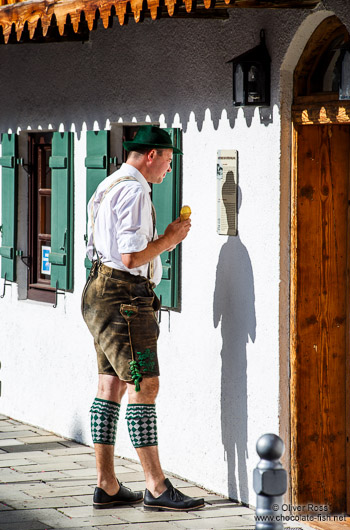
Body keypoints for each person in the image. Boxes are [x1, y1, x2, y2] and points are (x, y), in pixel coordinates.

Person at [81, 125, 205, 512]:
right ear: (150, 156)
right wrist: (172, 238)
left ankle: (108, 485)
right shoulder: (135, 190)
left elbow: (95, 247)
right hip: (124, 299)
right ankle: (156, 486)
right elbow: (133, 257)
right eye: (167, 161)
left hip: (100, 291)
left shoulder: (109, 184)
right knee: (144, 385)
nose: (168, 169)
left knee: (110, 385)